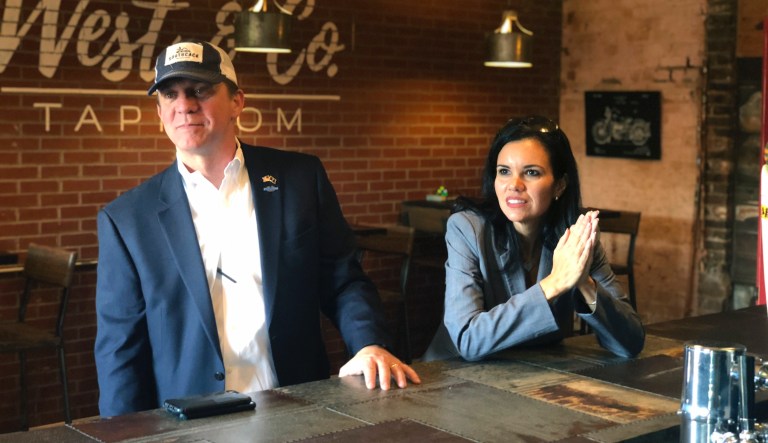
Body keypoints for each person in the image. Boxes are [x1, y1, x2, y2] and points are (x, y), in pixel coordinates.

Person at [94, 41, 420, 417]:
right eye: (170, 94)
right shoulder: (127, 219)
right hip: (190, 423)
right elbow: (119, 349)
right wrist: (122, 432)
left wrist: (368, 344)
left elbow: (343, 280)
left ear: (237, 101)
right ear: (159, 111)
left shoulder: (300, 180)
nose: (184, 105)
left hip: (297, 408)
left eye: (200, 89)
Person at [423, 116, 644, 362]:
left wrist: (584, 282)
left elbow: (631, 342)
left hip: (534, 372)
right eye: (504, 171)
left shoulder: (575, 236)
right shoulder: (467, 228)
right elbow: (468, 339)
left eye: (531, 172)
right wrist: (555, 282)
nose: (514, 185)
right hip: (453, 374)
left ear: (559, 185)